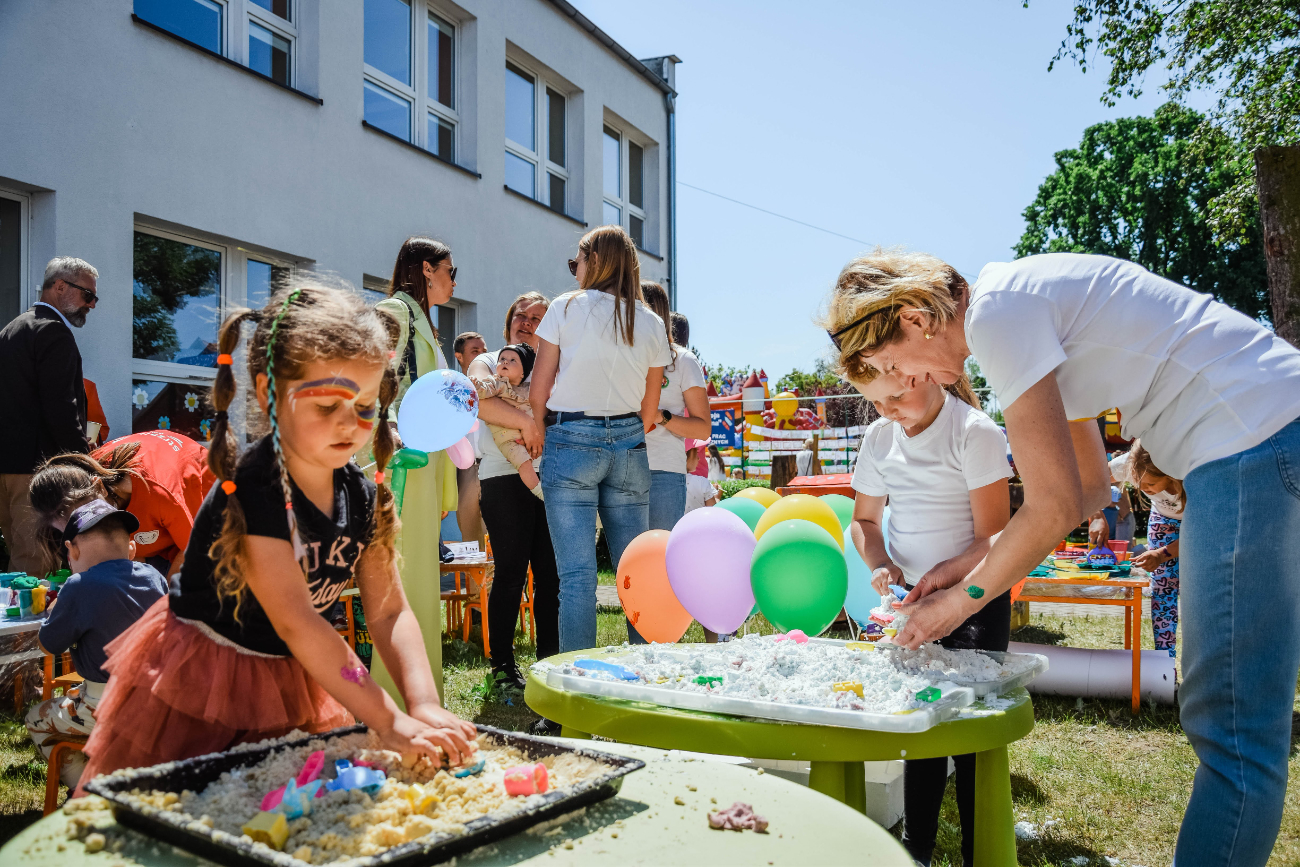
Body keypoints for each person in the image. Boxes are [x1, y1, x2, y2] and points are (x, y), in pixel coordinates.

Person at [821, 249, 1300, 865]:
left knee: (1232, 730)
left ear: (915, 319)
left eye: (892, 362)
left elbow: (1048, 508)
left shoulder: (998, 315)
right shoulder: (1020, 311)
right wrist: (958, 572)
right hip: (1254, 433)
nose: (907, 378)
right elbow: (1084, 492)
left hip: (1250, 434)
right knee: (1226, 720)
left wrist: (960, 600)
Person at [78, 281, 477, 790]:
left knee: (284, 810)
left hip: (294, 673)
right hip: (203, 680)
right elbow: (298, 622)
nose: (349, 425)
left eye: (365, 407)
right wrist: (387, 719)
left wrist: (420, 703)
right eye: (326, 405)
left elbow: (389, 611)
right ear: (270, 392)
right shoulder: (256, 486)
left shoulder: (362, 492)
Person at [845, 367, 1011, 866]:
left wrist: (947, 576)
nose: (887, 410)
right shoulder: (879, 436)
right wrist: (879, 563)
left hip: (976, 597)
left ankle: (977, 851)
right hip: (912, 601)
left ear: (926, 373)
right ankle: (917, 847)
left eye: (895, 397)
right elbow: (865, 519)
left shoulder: (974, 431)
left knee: (970, 732)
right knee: (920, 722)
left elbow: (995, 539)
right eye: (876, 403)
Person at [530, 225, 670, 654]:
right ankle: (642, 686)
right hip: (629, 442)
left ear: (596, 260)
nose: (575, 271)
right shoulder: (648, 321)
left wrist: (537, 426)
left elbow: (540, 385)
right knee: (634, 573)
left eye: (578, 261)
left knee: (576, 578)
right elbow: (650, 410)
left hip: (570, 439)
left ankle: (578, 689)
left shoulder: (566, 307)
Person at [26, 499, 167, 788]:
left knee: (35, 719)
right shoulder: (154, 577)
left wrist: (57, 609)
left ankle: (86, 791)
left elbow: (48, 646)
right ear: (132, 547)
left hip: (107, 706)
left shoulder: (79, 586)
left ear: (72, 550)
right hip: (159, 703)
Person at [374, 237, 459, 702]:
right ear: (427, 269)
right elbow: (368, 374)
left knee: (421, 584)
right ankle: (403, 697)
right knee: (405, 582)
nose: (452, 279)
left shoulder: (420, 320)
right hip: (403, 466)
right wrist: (387, 428)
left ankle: (422, 697)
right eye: (450, 270)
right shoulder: (395, 311)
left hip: (422, 465)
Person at [466, 292, 559, 706]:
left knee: (551, 578)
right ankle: (502, 668)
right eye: (521, 315)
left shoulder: (553, 367)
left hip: (551, 480)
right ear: (509, 321)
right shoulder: (490, 362)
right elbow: (478, 401)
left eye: (538, 317)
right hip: (504, 479)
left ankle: (550, 664)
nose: (529, 322)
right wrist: (526, 423)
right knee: (510, 575)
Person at [0, 257, 98, 576]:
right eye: (88, 295)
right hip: (35, 474)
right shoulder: (54, 332)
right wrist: (85, 464)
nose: (92, 305)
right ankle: (31, 630)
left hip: (7, 470)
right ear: (60, 286)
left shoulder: (10, 331)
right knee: (35, 566)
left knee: (17, 559)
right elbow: (61, 408)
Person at [29, 432, 216, 578]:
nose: (89, 531)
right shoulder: (85, 479)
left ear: (99, 486)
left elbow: (194, 552)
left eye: (89, 519)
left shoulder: (161, 493)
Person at [1114, 441, 1185, 656]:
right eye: (1138, 484)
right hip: (1162, 522)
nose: (1144, 491)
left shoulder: (1195, 475)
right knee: (1162, 592)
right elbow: (1091, 480)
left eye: (1150, 485)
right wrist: (1096, 515)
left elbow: (1201, 531)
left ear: (1170, 474)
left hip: (1199, 527)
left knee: (1198, 594)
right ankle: (1164, 664)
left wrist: (1162, 554)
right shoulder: (1128, 463)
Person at [471, 344, 541, 498]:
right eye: (502, 359)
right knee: (523, 464)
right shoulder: (497, 383)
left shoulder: (530, 388)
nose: (505, 362)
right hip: (507, 438)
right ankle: (539, 492)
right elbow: (482, 391)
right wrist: (475, 384)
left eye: (512, 360)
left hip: (530, 439)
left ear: (524, 372)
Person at [451, 331, 489, 549]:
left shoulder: (494, 386)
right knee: (471, 543)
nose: (482, 355)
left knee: (498, 540)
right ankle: (476, 586)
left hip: (494, 467)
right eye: (475, 351)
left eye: (484, 350)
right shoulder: (450, 390)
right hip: (464, 472)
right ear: (459, 356)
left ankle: (505, 585)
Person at [683, 441, 720, 512]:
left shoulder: (663, 482)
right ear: (686, 456)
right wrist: (717, 497)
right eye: (696, 454)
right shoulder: (702, 483)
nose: (698, 458)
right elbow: (713, 512)